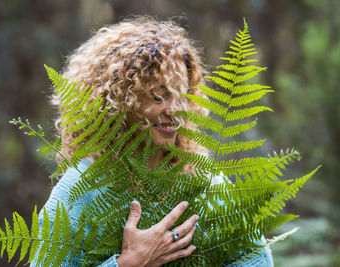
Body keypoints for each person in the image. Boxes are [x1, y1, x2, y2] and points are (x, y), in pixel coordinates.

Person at [33, 16, 274, 266]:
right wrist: (129, 263)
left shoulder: (203, 179)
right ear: (118, 103)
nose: (174, 110)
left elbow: (256, 259)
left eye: (181, 95)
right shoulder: (80, 190)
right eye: (158, 96)